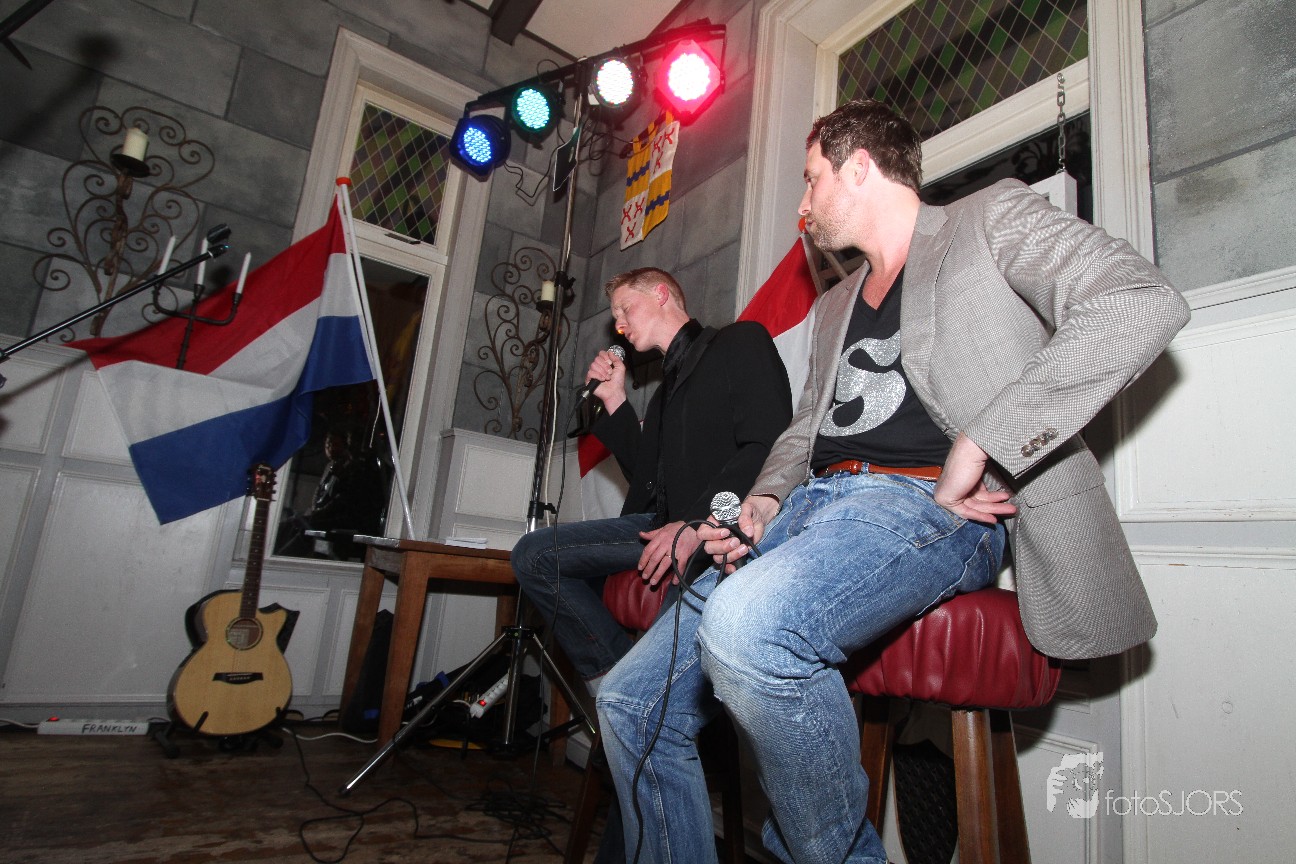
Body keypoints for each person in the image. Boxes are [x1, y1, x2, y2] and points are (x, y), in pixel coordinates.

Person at [595, 100, 1191, 864]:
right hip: (810, 511)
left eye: (811, 179)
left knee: (746, 627)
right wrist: (766, 499)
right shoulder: (834, 303)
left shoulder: (989, 219)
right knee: (629, 704)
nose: (803, 204)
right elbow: (803, 429)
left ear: (858, 168)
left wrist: (985, 439)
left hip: (922, 505)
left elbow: (1138, 300)